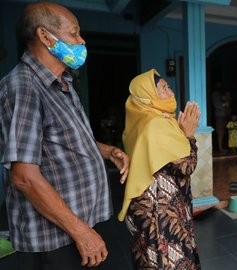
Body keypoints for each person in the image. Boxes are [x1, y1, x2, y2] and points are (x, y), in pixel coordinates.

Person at [0, 2, 129, 269]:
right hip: (56, 238)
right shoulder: (24, 87)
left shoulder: (63, 83)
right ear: (46, 36)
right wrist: (80, 231)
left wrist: (107, 151)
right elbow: (24, 176)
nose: (81, 41)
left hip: (82, 221)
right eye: (74, 33)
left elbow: (66, 138)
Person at [119, 69, 201, 269]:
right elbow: (186, 166)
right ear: (148, 97)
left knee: (149, 260)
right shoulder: (156, 124)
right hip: (160, 212)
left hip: (145, 210)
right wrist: (189, 134)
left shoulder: (141, 122)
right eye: (164, 89)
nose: (171, 93)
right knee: (169, 262)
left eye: (169, 87)